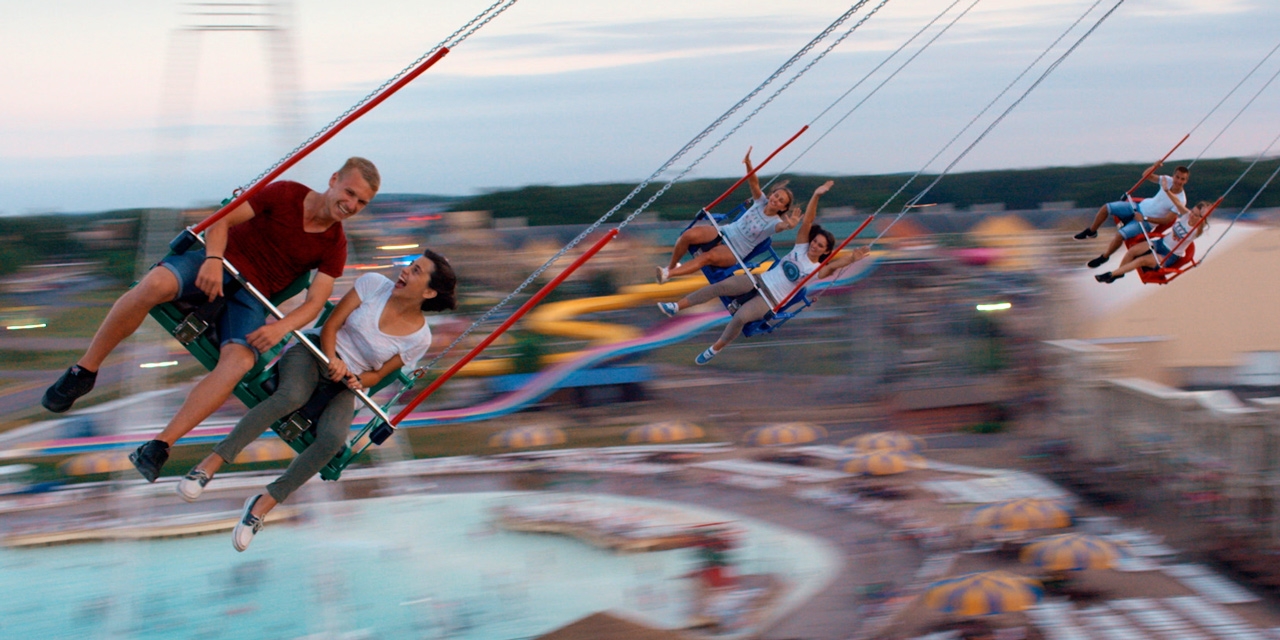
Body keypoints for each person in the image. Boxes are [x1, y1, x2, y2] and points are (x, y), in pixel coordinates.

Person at [41, 157, 380, 482]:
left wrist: (280, 327)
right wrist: (214, 258)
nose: (351, 205)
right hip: (216, 263)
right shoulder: (286, 193)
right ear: (334, 181)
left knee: (238, 364)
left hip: (251, 297)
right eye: (349, 193)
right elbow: (223, 220)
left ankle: (160, 445)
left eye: (361, 202)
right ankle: (84, 371)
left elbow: (314, 303)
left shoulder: (335, 245)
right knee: (155, 284)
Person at [178, 250, 457, 551]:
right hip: (314, 353)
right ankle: (209, 464)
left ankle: (262, 505)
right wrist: (333, 360)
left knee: (333, 440)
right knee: (291, 396)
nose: (405, 272)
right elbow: (332, 325)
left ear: (429, 292)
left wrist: (358, 380)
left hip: (345, 384)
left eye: (416, 272)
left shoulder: (420, 338)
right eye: (410, 266)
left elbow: (380, 374)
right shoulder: (373, 284)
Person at [657, 180, 869, 364]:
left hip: (769, 299)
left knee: (740, 317)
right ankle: (676, 306)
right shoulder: (799, 248)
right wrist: (816, 194)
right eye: (815, 241)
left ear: (826, 251)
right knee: (720, 286)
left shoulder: (816, 269)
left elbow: (833, 266)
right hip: (759, 280)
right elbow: (808, 220)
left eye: (820, 246)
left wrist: (852, 258)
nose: (814, 246)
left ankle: (715, 348)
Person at [657, 147, 800, 284]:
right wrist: (749, 164)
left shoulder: (774, 222)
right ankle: (672, 266)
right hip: (724, 232)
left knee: (708, 257)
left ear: (783, 207)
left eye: (781, 201)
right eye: (776, 196)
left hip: (735, 250)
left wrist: (790, 225)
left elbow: (782, 226)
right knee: (688, 235)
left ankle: (668, 274)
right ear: (771, 195)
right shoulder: (760, 201)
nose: (776, 200)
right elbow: (753, 182)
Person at [1074, 162, 1189, 269]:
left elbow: (1166, 220)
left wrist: (1144, 218)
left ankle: (1104, 257)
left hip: (1145, 222)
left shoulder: (1181, 200)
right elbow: (1146, 175)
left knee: (1120, 235)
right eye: (1177, 177)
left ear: (1186, 181)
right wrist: (1155, 166)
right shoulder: (1167, 181)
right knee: (1106, 207)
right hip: (1138, 206)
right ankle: (1092, 231)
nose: (1178, 181)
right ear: (1174, 176)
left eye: (1182, 179)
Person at [1095, 194, 1210, 283]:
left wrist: (1206, 211)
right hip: (1160, 243)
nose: (1192, 215)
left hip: (1169, 255)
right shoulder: (1186, 215)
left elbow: (1200, 223)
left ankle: (1111, 274)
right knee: (1132, 251)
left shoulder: (1196, 230)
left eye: (1196, 215)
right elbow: (1177, 202)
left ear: (1201, 219)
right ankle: (1119, 273)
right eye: (1193, 211)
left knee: (1141, 260)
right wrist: (1166, 190)